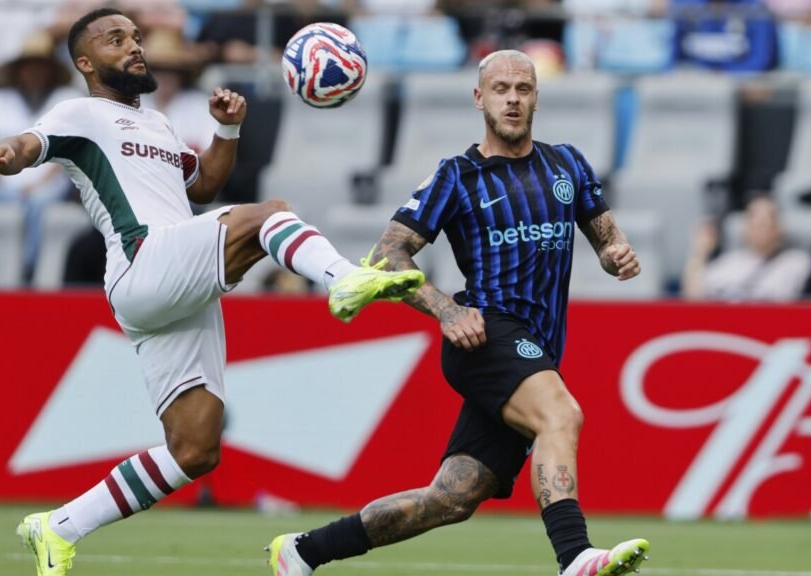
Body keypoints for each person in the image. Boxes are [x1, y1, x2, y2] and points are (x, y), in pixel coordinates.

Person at [0, 8, 424, 575]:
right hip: (144, 263)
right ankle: (344, 279)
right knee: (270, 216)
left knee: (195, 449)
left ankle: (58, 527)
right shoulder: (81, 113)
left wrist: (228, 130)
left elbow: (206, 183)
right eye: (117, 40)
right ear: (86, 62)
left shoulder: (159, 125)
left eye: (136, 37)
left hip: (173, 287)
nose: (135, 47)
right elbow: (29, 144)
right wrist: (4, 154)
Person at [267, 49, 649, 576]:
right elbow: (385, 256)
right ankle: (575, 557)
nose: (512, 99)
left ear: (536, 96)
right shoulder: (457, 176)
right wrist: (446, 311)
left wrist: (615, 255)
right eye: (500, 89)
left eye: (522, 88)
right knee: (561, 415)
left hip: (534, 347)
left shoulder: (568, 165)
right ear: (479, 98)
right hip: (483, 334)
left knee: (451, 498)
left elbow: (605, 236)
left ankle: (303, 551)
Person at [0, 30, 82, 281]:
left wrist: (36, 184)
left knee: (37, 203)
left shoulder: (67, 100)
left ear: (50, 70)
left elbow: (71, 149)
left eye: (40, 67)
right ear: (19, 71)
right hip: (1, 186)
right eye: (29, 67)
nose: (34, 74)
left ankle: (26, 272)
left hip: (48, 187)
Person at [682, 195, 811, 301]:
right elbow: (694, 298)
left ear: (779, 228)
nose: (760, 228)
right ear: (744, 228)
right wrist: (700, 252)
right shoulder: (729, 262)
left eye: (765, 223)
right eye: (754, 221)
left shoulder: (796, 261)